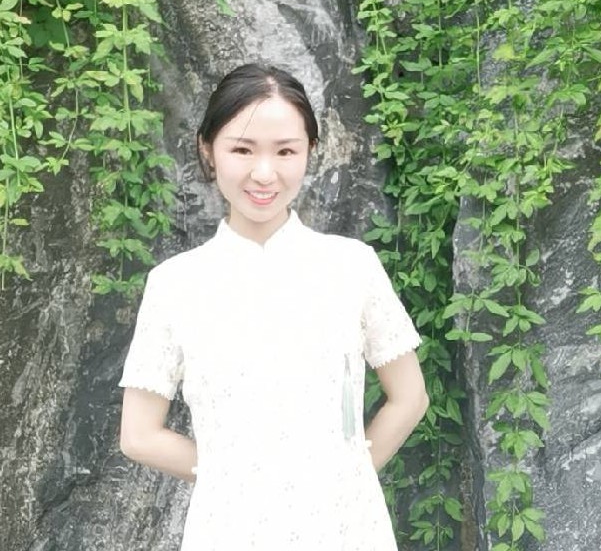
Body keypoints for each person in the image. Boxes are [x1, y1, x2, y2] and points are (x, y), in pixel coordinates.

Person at [119, 63, 429, 551]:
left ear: (310, 151)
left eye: (285, 151)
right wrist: (234, 474)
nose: (264, 173)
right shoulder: (175, 285)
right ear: (208, 149)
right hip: (229, 531)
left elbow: (410, 397)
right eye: (242, 150)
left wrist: (346, 477)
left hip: (345, 532)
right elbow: (138, 435)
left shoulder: (351, 266)